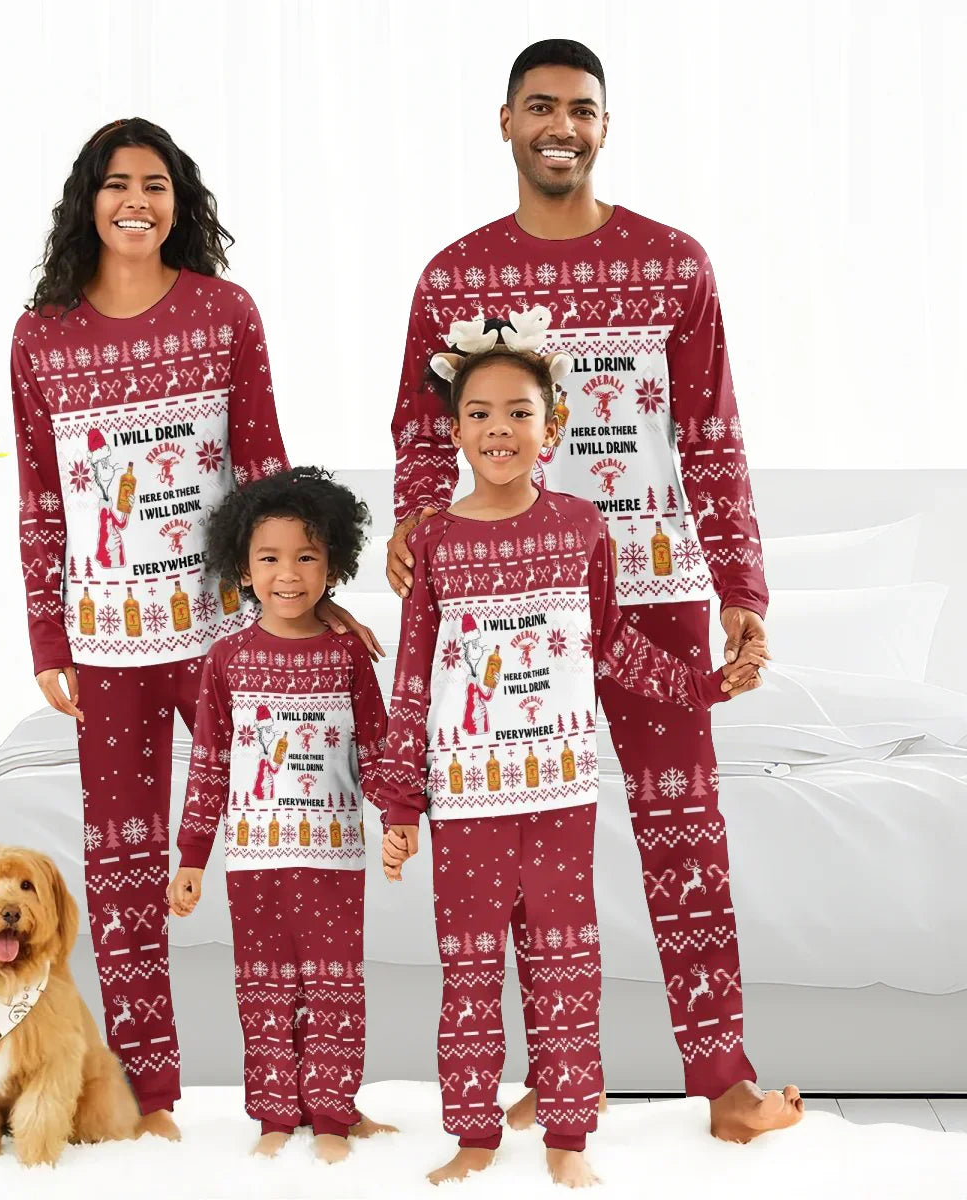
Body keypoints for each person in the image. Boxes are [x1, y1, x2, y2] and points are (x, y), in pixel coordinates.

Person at [386, 40, 804, 1143]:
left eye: (581, 109)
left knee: (683, 832)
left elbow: (711, 432)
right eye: (540, 107)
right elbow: (421, 433)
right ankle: (560, 1075)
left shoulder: (675, 264)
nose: (560, 125)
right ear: (507, 122)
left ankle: (721, 1080)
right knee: (523, 847)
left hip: (655, 588)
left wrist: (738, 582)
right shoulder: (454, 276)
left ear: (605, 126)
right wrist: (413, 521)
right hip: (506, 609)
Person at [10, 118, 380, 1137]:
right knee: (124, 867)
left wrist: (312, 599)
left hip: (227, 633)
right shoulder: (41, 335)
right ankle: (150, 1095)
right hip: (106, 642)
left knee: (275, 847)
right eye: (119, 182)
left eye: (158, 184)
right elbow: (43, 498)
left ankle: (309, 1091)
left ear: (181, 203)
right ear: (90, 199)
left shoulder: (224, 313)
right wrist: (50, 639)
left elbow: (265, 465)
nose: (139, 199)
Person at [379, 347, 762, 1187]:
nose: (499, 430)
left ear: (552, 426)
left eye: (518, 412)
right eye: (478, 414)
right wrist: (400, 805)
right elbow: (413, 677)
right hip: (468, 795)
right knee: (470, 966)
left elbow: (613, 646)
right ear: (453, 432)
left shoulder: (583, 526)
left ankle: (567, 1137)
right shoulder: (433, 543)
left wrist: (702, 684)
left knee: (566, 962)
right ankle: (475, 1136)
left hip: (560, 791)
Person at [168, 468, 398, 1162]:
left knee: (335, 981)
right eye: (269, 558)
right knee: (263, 984)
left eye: (307, 557)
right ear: (244, 565)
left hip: (331, 854)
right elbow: (208, 764)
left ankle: (332, 1113)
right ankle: (274, 1112)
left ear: (335, 565)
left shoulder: (347, 652)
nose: (289, 575)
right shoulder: (228, 659)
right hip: (254, 859)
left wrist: (401, 818)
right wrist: (191, 860)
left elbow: (379, 745)